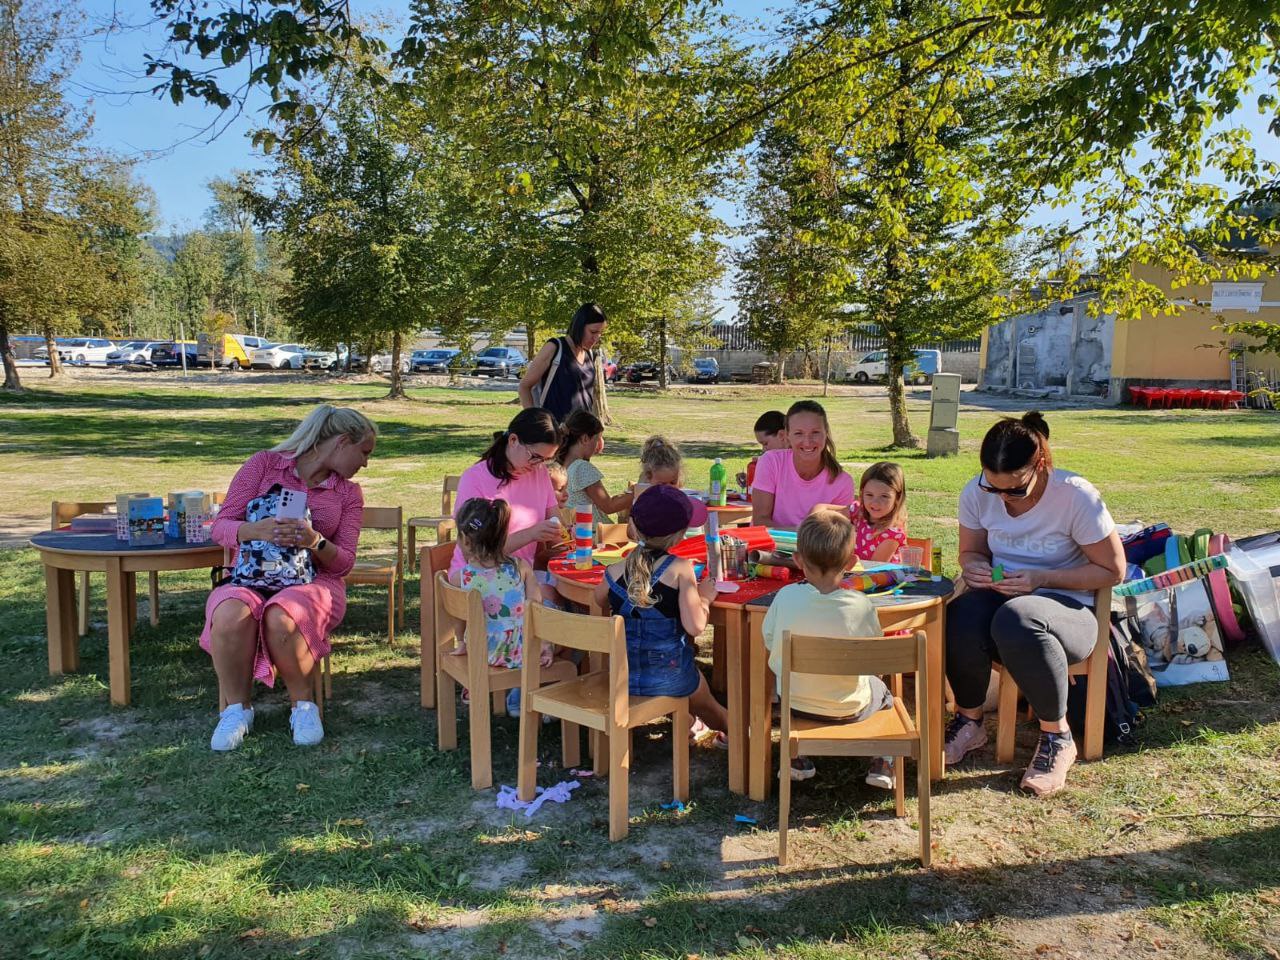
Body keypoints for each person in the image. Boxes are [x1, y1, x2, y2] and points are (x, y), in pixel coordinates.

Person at [945, 411, 1124, 796]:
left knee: (1017, 618)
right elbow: (971, 552)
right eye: (992, 488)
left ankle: (1057, 737)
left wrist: (1042, 579)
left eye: (1014, 490)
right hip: (1005, 602)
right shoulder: (976, 493)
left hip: (1071, 611)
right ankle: (970, 721)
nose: (1001, 497)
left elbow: (1113, 570)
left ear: (1039, 465)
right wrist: (977, 569)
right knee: (959, 613)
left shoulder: (1075, 496)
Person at [202, 404, 377, 751]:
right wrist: (256, 530)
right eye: (364, 452)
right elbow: (221, 527)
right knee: (228, 613)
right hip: (250, 577)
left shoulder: (348, 493)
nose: (366, 463)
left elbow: (343, 563)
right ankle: (236, 711)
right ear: (342, 442)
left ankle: (303, 706)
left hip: (316, 582)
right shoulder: (264, 466)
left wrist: (316, 542)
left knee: (284, 614)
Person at [761, 510, 894, 784]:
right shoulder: (861, 605)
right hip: (850, 708)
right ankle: (883, 758)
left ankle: (796, 757)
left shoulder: (785, 597)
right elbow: (875, 657)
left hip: (793, 705)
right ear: (853, 562)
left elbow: (770, 642)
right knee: (885, 693)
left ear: (798, 560)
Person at [592, 485, 729, 742]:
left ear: (632, 525)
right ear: (679, 536)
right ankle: (742, 736)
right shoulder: (680, 569)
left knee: (685, 682)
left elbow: (598, 598)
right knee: (708, 704)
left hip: (621, 678)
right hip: (670, 677)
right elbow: (696, 626)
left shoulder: (614, 570)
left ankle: (688, 721)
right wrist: (705, 597)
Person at [449, 497, 553, 717]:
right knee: (561, 643)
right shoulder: (521, 568)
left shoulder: (461, 578)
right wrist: (544, 643)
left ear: (466, 541)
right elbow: (537, 609)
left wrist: (462, 642)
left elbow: (458, 619)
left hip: (482, 651)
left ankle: (514, 697)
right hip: (519, 651)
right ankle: (530, 698)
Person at [452, 409, 567, 601]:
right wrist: (530, 534)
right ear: (513, 440)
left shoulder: (539, 474)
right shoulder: (475, 478)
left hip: (520, 573)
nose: (538, 464)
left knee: (570, 596)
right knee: (551, 599)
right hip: (477, 576)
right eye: (535, 456)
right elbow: (476, 550)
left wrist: (562, 535)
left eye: (546, 460)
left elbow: (555, 521)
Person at [751, 400, 854, 529]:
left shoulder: (843, 482)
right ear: (787, 435)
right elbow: (760, 521)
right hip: (769, 547)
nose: (807, 442)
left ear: (826, 432)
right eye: (798, 433)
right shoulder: (771, 462)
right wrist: (800, 535)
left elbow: (838, 534)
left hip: (816, 549)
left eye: (815, 432)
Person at [518, 303, 607, 422]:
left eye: (600, 333)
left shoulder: (590, 355)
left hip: (583, 437)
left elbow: (588, 401)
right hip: (554, 435)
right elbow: (524, 387)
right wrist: (536, 424)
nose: (596, 338)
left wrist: (595, 432)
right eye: (593, 332)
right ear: (579, 326)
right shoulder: (555, 347)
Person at [558, 410, 634, 526]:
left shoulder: (561, 464)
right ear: (585, 439)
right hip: (593, 534)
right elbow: (609, 506)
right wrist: (640, 492)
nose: (599, 444)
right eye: (597, 439)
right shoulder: (581, 467)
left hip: (576, 530)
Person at [851, 462, 908, 563]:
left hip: (876, 577)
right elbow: (823, 509)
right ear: (862, 494)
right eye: (869, 495)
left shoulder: (892, 534)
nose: (876, 503)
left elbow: (873, 570)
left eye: (884, 496)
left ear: (897, 498)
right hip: (854, 575)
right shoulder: (858, 511)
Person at [737, 410, 788, 489]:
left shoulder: (797, 460)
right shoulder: (776, 460)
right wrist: (752, 478)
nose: (764, 450)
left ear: (781, 435)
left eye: (765, 443)